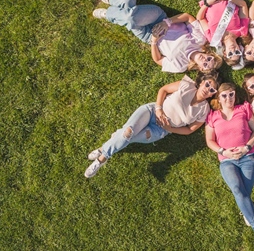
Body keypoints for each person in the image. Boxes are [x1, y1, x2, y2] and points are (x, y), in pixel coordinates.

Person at [84, 74, 218, 178]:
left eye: (212, 89)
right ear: (201, 83)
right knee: (128, 133)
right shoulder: (187, 85)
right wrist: (159, 109)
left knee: (127, 134)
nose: (208, 89)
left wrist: (169, 129)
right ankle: (102, 159)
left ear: (213, 94)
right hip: (151, 111)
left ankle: (105, 146)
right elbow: (164, 89)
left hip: (159, 130)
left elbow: (190, 130)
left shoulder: (204, 110)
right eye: (207, 84)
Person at [205, 83, 254, 251]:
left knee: (244, 193)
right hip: (227, 161)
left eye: (231, 94)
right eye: (224, 95)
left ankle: (247, 212)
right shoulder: (212, 116)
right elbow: (209, 141)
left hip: (248, 157)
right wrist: (224, 151)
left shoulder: (244, 108)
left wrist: (246, 147)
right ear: (219, 98)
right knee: (238, 190)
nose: (228, 98)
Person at [93, 0, 222, 73]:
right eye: (209, 58)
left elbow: (158, 60)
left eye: (205, 64)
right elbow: (188, 17)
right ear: (209, 53)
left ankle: (111, 9)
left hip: (148, 35)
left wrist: (154, 41)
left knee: (129, 18)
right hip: (159, 18)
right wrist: (167, 23)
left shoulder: (180, 66)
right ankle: (111, 3)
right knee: (130, 17)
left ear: (200, 68)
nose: (205, 59)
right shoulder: (200, 40)